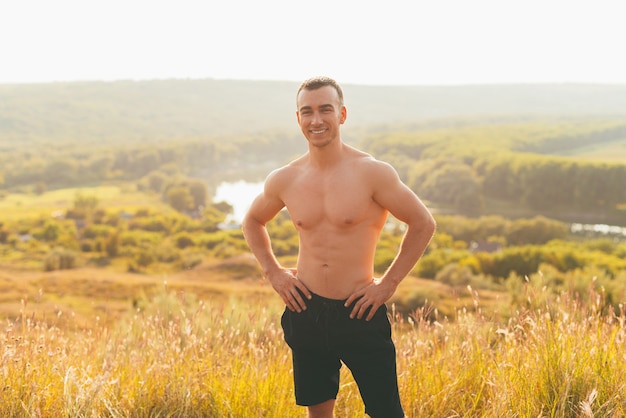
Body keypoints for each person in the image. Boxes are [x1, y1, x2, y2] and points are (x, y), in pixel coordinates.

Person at [242, 76, 436, 418]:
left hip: (359, 309)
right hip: (305, 309)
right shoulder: (285, 178)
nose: (316, 120)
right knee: (318, 413)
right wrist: (274, 272)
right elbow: (252, 221)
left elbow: (423, 223)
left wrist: (388, 284)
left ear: (342, 114)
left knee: (386, 412)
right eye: (307, 112)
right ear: (298, 118)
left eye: (325, 110)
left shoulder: (372, 173)